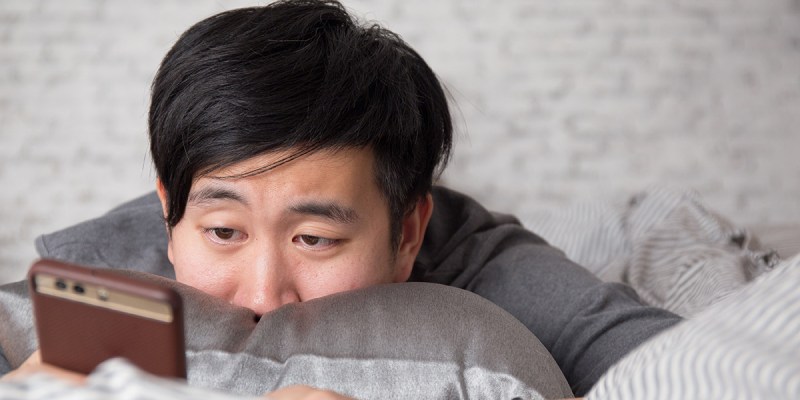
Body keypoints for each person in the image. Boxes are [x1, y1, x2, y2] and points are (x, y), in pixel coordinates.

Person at [3, 0, 681, 397]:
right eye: (223, 233)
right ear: (168, 210)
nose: (264, 295)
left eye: (314, 240)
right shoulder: (116, 256)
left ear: (411, 231)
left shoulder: (493, 270)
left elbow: (678, 369)